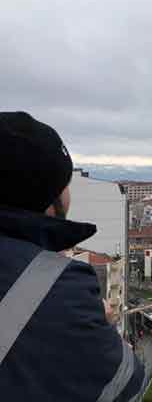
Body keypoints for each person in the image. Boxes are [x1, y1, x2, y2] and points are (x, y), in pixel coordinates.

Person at [0, 112, 144, 400]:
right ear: (50, 196)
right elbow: (126, 386)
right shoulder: (52, 283)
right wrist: (100, 328)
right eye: (65, 182)